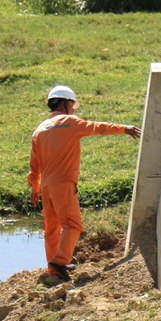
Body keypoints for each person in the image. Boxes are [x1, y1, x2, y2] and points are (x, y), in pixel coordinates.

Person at [28, 84, 141, 284]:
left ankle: (53, 266)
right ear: (65, 103)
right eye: (72, 105)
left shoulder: (39, 129)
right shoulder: (69, 122)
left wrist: (35, 188)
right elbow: (97, 127)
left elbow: (34, 165)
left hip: (45, 186)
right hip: (63, 184)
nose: (73, 110)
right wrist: (124, 128)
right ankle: (60, 262)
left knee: (52, 228)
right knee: (72, 225)